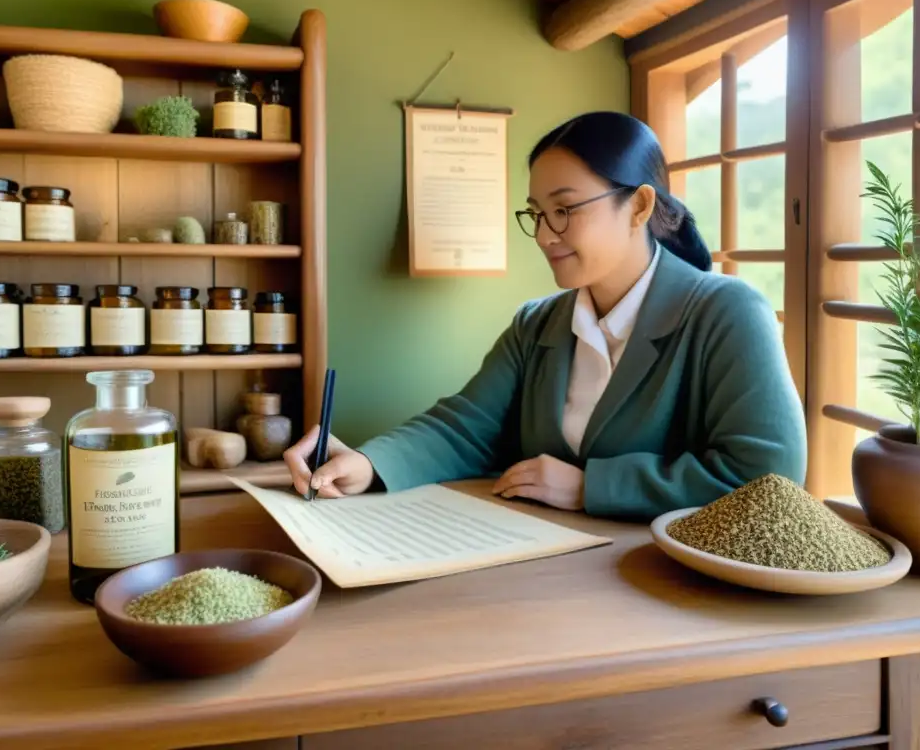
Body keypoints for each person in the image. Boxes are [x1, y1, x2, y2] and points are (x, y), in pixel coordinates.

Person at [284, 111, 807, 521]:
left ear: (641, 207)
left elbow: (768, 473)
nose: (543, 233)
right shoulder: (535, 324)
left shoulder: (726, 313)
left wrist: (590, 488)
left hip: (671, 594)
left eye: (565, 209)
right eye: (536, 212)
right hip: (543, 572)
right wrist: (370, 465)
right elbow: (465, 428)